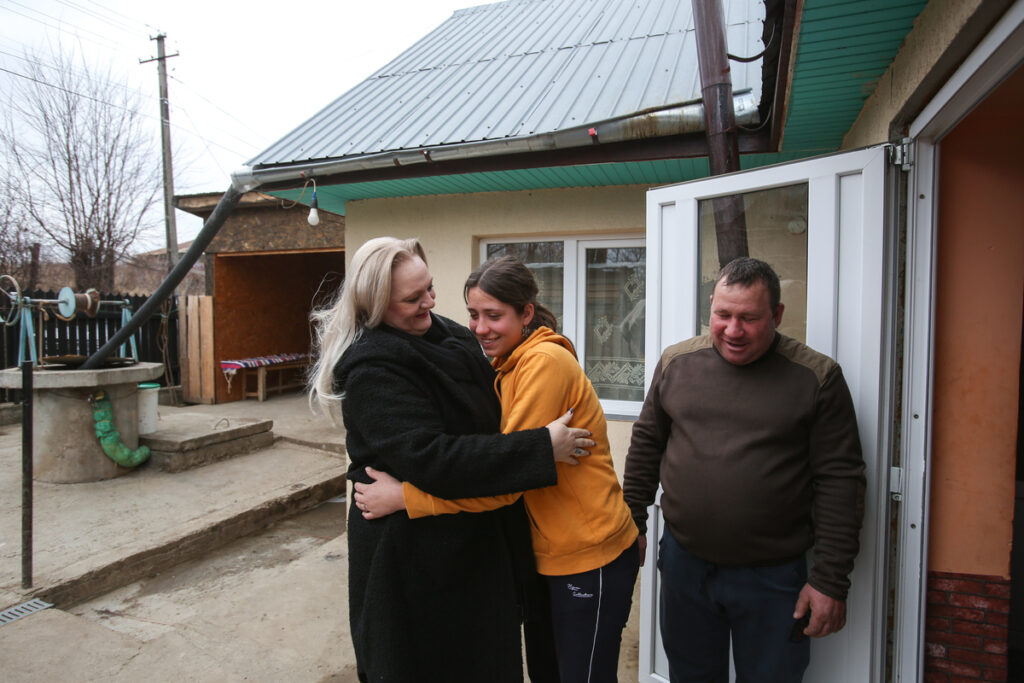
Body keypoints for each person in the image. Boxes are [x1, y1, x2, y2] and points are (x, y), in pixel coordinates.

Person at [308, 237, 595, 683]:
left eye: (429, 287)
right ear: (377, 303)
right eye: (412, 297)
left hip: (468, 546)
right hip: (414, 562)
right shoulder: (373, 370)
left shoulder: (443, 333)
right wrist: (540, 447)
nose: (429, 302)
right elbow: (435, 459)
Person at [356, 255, 640, 683]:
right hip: (554, 553)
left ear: (526, 313)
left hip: (589, 554)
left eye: (494, 315)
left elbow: (507, 478)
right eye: (473, 314)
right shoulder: (507, 364)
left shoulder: (541, 363)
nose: (480, 327)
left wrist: (407, 498)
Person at [622, 257, 866, 683]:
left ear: (777, 315)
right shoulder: (678, 364)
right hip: (685, 566)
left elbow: (841, 481)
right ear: (711, 307)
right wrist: (632, 520)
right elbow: (646, 445)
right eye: (723, 315)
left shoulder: (816, 378)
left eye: (749, 318)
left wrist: (830, 580)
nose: (733, 330)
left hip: (772, 577)